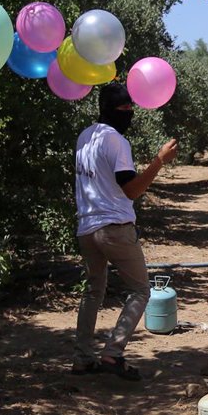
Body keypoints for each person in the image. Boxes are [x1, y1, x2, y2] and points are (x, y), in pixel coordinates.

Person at [72, 81, 178, 381]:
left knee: (93, 290)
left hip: (86, 227)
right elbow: (131, 189)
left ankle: (82, 358)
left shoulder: (85, 136)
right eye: (126, 108)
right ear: (113, 110)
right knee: (141, 290)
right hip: (114, 227)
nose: (130, 113)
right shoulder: (116, 141)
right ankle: (113, 352)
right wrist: (159, 161)